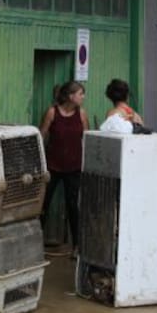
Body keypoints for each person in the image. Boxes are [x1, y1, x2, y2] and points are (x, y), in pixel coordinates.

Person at [39, 81, 88, 253]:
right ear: (70, 96)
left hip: (74, 168)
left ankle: (77, 246)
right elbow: (41, 136)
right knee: (43, 203)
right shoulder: (52, 112)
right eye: (80, 94)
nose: (83, 97)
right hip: (52, 167)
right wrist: (40, 163)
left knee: (73, 206)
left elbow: (87, 139)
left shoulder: (82, 114)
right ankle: (35, 243)